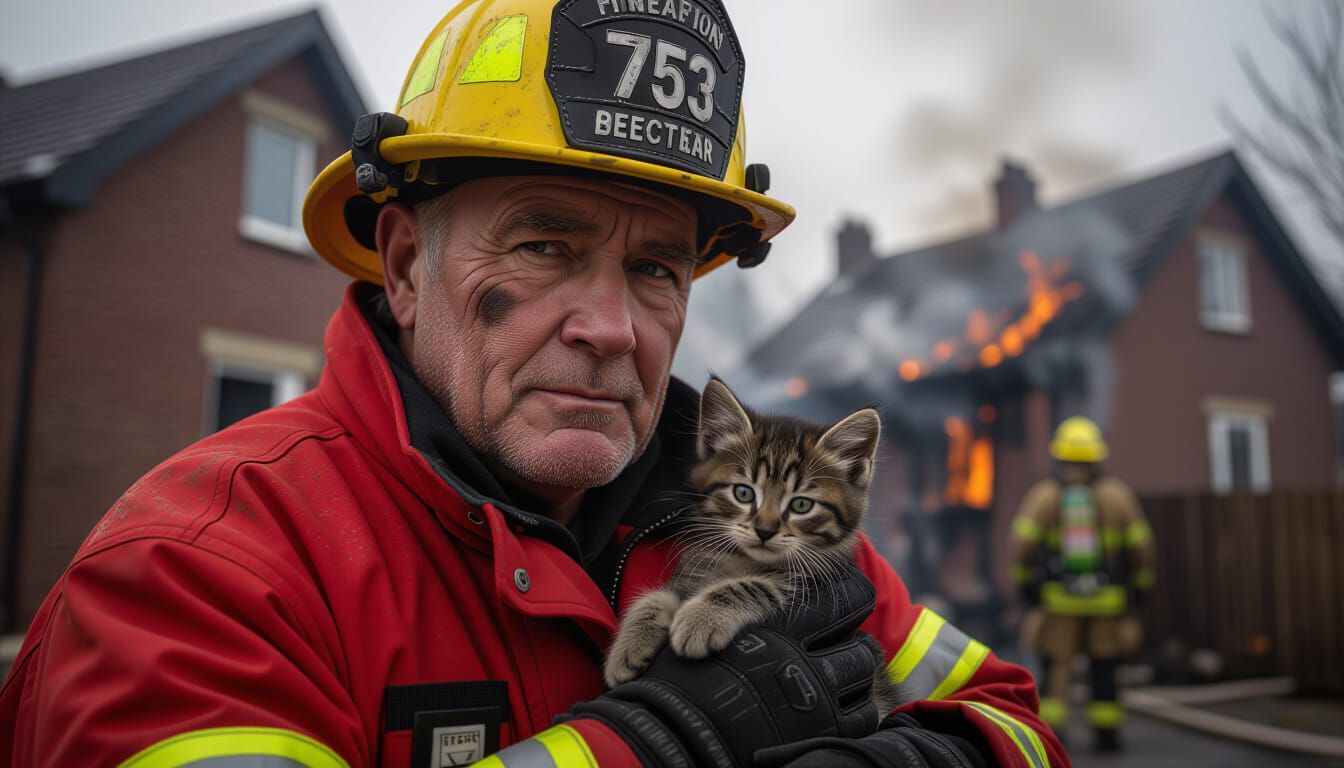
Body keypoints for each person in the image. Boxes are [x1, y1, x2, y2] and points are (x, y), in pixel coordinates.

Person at [1, 1, 1065, 766]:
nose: (610, 330)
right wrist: (643, 749)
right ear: (409, 266)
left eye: (655, 267)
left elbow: (1020, 721)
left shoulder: (779, 538)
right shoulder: (203, 576)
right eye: (544, 246)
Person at [1010, 417, 1154, 753]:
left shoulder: (1044, 496)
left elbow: (1021, 547)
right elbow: (1141, 548)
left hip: (1058, 601)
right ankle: (1107, 735)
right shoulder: (1118, 497)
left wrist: (1024, 586)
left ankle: (1052, 737)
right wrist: (1140, 587)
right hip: (1108, 602)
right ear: (1096, 457)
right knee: (1104, 667)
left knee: (1055, 667)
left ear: (1060, 456)